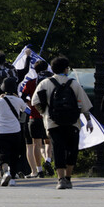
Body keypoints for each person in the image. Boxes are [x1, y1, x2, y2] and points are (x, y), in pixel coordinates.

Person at [31, 55, 94, 190]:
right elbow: (84, 104)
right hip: (73, 122)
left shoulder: (45, 83)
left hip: (53, 123)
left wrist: (44, 112)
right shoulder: (74, 83)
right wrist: (88, 120)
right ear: (66, 69)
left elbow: (35, 101)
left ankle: (60, 179)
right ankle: (68, 178)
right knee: (72, 150)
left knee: (58, 149)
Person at [0, 77, 30, 187]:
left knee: (2, 153)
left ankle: (5, 171)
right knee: (14, 154)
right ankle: (12, 178)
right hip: (15, 130)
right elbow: (27, 110)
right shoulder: (18, 100)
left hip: (1, 131)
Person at [21, 60, 52, 178]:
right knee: (48, 141)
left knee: (36, 144)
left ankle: (39, 170)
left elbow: (23, 96)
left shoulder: (30, 83)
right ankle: (48, 160)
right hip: (48, 116)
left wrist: (30, 104)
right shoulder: (50, 82)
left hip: (34, 116)